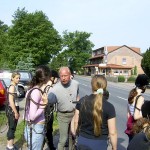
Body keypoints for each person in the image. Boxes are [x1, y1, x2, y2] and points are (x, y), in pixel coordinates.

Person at [73, 75, 117, 150]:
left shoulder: (82, 101)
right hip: (99, 144)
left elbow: (75, 122)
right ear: (105, 87)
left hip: (82, 141)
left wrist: (77, 137)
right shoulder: (109, 107)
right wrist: (114, 147)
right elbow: (112, 132)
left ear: (92, 85)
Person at [47, 66, 79, 150]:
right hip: (63, 116)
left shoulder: (76, 84)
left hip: (73, 115)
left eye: (65, 75)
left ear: (70, 75)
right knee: (63, 139)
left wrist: (77, 109)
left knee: (72, 137)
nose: (63, 78)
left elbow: (77, 96)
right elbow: (49, 100)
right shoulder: (55, 89)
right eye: (61, 76)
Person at [24, 65, 50, 150]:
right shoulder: (36, 92)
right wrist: (44, 105)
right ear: (45, 77)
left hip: (32, 128)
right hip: (36, 128)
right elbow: (32, 117)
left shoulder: (31, 89)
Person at [125, 74, 149, 142]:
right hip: (138, 127)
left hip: (131, 127)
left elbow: (128, 114)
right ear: (144, 86)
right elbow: (136, 116)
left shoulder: (131, 94)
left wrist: (131, 125)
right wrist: (145, 113)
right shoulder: (140, 98)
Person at [43, 70, 59, 150]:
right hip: (48, 112)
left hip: (46, 111)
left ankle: (50, 146)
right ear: (52, 78)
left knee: (47, 130)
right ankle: (51, 147)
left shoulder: (44, 85)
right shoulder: (50, 88)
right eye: (57, 78)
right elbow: (52, 100)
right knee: (48, 130)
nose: (57, 80)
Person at [6, 71, 21, 150]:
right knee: (12, 128)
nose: (18, 79)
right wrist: (15, 112)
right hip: (12, 109)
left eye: (19, 78)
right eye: (17, 78)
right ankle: (10, 147)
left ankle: (9, 144)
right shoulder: (12, 87)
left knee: (12, 127)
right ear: (12, 78)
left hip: (14, 108)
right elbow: (11, 101)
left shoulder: (15, 85)